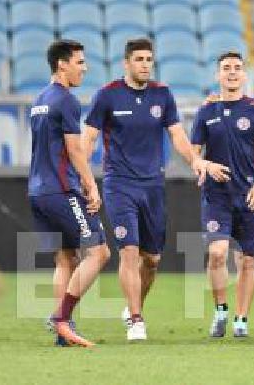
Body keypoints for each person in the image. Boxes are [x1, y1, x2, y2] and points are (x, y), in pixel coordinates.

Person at [82, 38, 220, 341]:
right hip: (119, 184)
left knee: (152, 260)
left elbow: (177, 135)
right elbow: (88, 138)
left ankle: (135, 305)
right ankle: (135, 319)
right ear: (126, 63)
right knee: (128, 252)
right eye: (139, 59)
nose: (145, 64)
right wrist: (85, 177)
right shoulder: (107, 96)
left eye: (149, 59)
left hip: (153, 185)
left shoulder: (163, 94)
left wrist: (196, 160)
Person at [30, 40, 111, 347]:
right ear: (62, 64)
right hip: (61, 191)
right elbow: (74, 149)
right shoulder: (66, 100)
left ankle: (62, 331)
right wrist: (91, 185)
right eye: (79, 62)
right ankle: (61, 318)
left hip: (37, 192)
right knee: (99, 252)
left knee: (65, 258)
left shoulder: (40, 99)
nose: (84, 67)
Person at [191, 51, 254, 338]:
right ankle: (221, 310)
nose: (232, 72)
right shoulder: (206, 112)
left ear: (244, 75)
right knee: (217, 253)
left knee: (247, 260)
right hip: (217, 197)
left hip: (249, 194)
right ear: (218, 75)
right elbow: (193, 153)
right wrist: (202, 164)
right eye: (226, 68)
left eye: (237, 68)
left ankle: (241, 319)